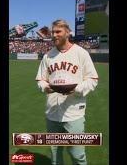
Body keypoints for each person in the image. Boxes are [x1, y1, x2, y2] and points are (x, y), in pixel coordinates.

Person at [35, 19, 99, 165]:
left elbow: (93, 79)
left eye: (58, 31)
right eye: (53, 32)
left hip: (74, 112)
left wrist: (75, 89)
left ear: (68, 33)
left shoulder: (81, 53)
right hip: (52, 112)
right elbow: (40, 80)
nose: (54, 35)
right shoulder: (47, 56)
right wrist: (45, 87)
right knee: (55, 155)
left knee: (78, 156)